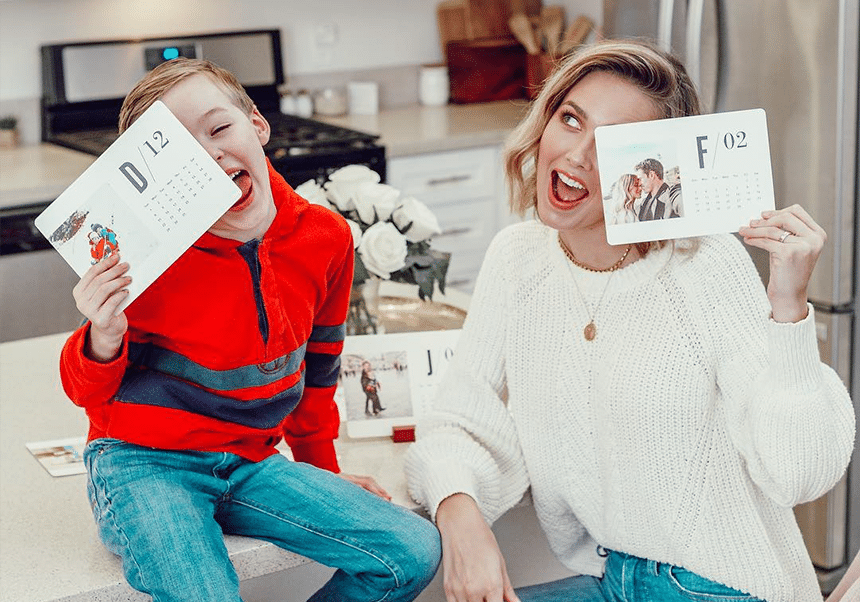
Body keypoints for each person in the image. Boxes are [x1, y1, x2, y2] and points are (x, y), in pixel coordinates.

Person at [404, 39, 855, 602]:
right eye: (571, 120)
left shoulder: (704, 262)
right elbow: (458, 418)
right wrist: (461, 518)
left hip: (715, 586)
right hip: (609, 581)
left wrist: (787, 310)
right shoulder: (517, 258)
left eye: (613, 146)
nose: (577, 156)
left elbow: (798, 473)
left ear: (653, 172)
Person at [60, 58, 440, 602]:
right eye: (184, 156)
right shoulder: (144, 256)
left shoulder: (326, 238)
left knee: (411, 551)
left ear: (257, 124)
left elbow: (319, 370)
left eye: (219, 129)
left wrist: (321, 472)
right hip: (144, 463)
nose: (210, 154)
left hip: (251, 461)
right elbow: (85, 394)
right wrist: (103, 333)